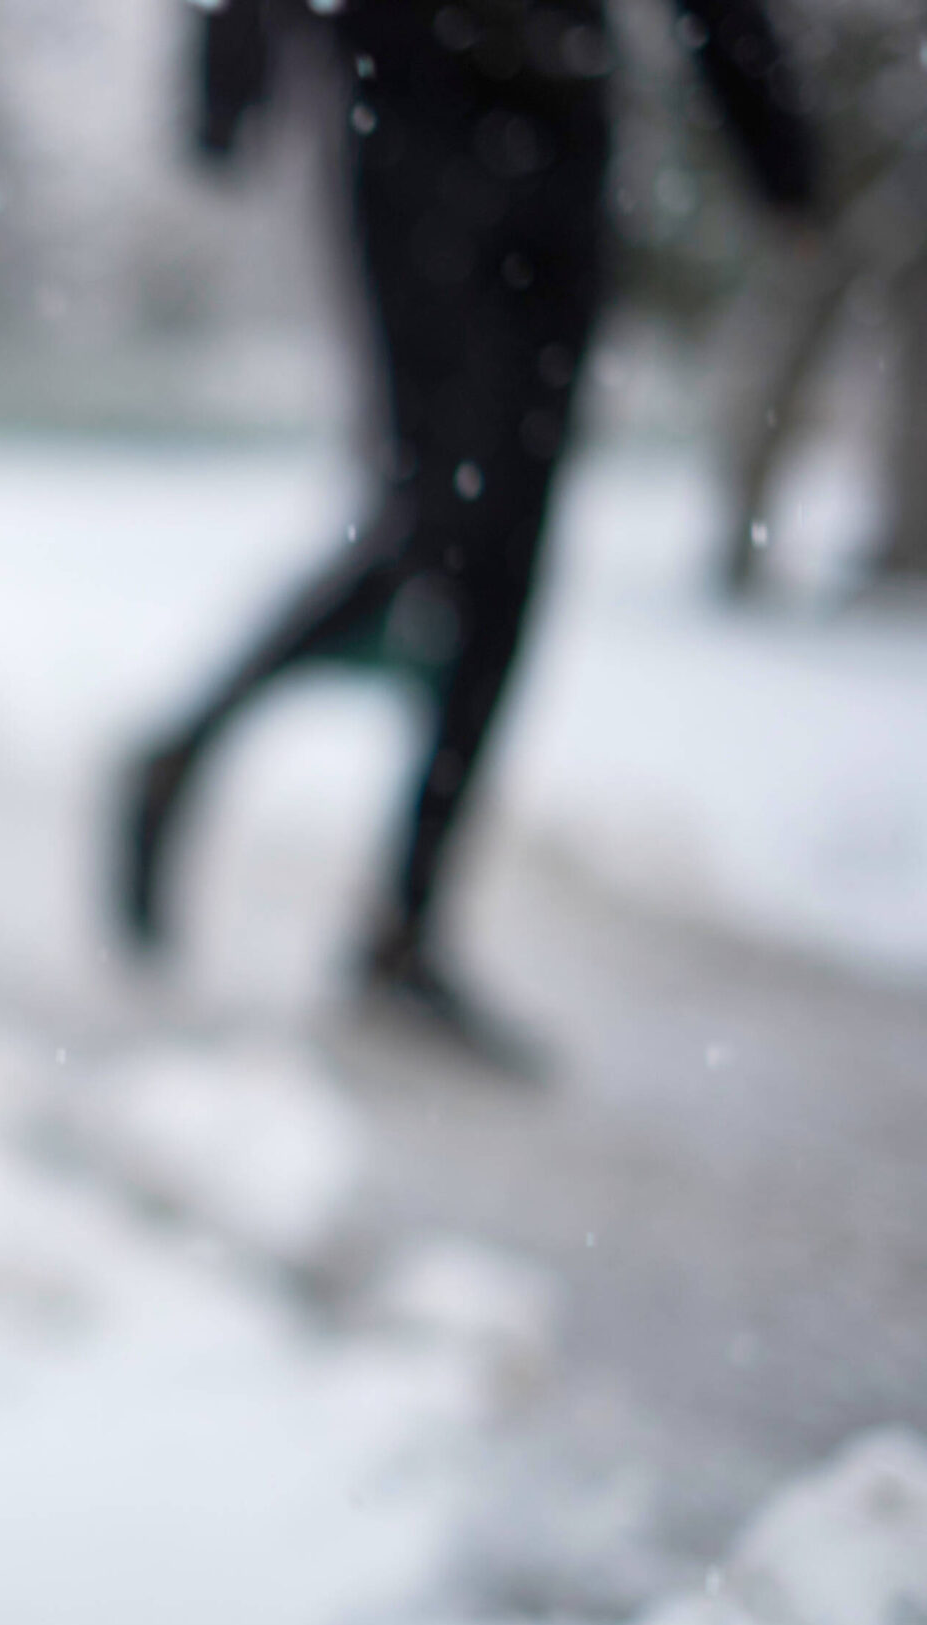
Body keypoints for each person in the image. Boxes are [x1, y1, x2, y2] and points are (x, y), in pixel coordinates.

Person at [121, 0, 816, 1064]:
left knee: (512, 549)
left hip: (564, 124)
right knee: (435, 515)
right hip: (404, 108)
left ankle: (406, 920)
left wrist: (766, 126)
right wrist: (230, 76)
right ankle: (183, 751)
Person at [717, 0, 927, 601]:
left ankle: (911, 538)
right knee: (793, 326)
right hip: (827, 79)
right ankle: (743, 526)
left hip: (894, 90)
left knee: (911, 343)